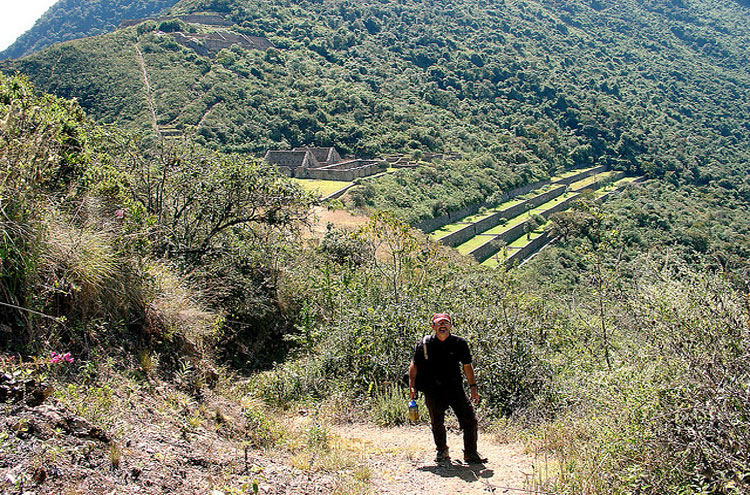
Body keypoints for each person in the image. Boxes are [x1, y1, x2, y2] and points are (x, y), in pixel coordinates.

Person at [408, 312, 487, 464]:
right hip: (433, 390)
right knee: (437, 422)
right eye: (439, 323)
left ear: (450, 326)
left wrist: (473, 388)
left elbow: (467, 366)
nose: (442, 326)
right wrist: (412, 387)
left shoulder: (459, 343)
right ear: (433, 327)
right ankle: (442, 451)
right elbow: (414, 365)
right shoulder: (425, 344)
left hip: (455, 388)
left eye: (445, 323)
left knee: (470, 420)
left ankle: (470, 453)